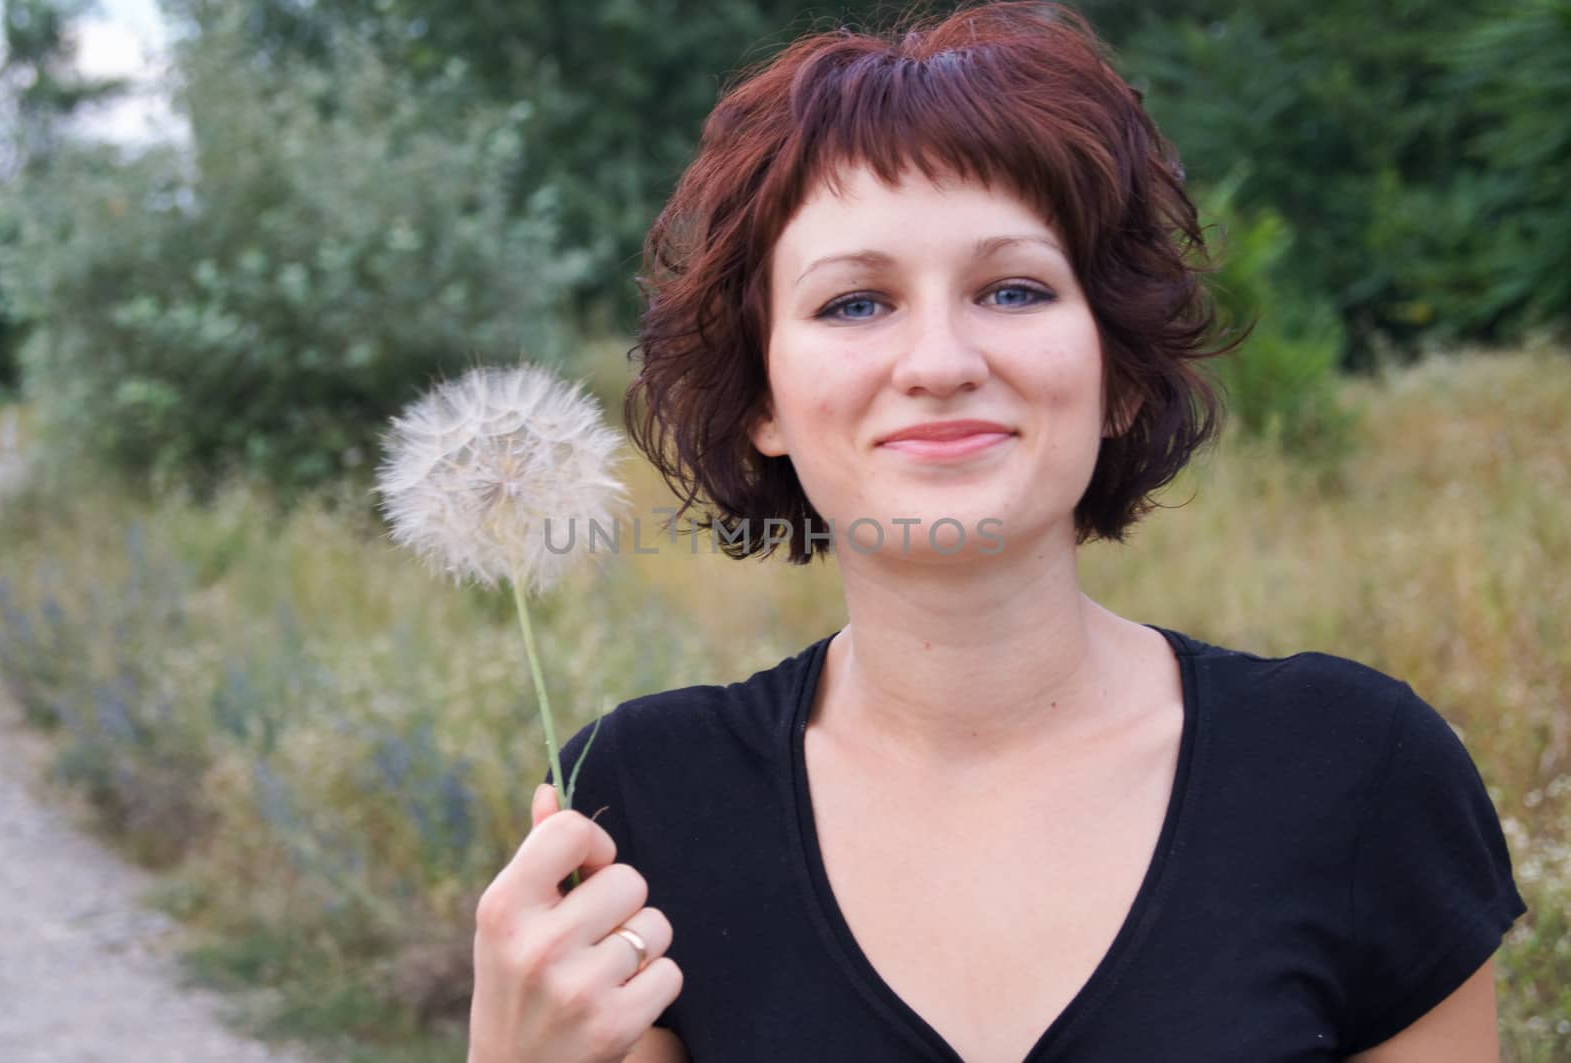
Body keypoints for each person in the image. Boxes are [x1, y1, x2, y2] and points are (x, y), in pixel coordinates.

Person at [467, 3, 1529, 1061]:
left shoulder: (1353, 770)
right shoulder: (641, 800)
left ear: (1116, 369)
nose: (939, 360)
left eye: (1012, 289)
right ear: (764, 402)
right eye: (853, 304)